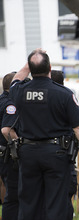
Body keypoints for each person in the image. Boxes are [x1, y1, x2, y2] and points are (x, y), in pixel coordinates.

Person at [9, 49, 79, 220]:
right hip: (56, 154)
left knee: (29, 201)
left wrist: (29, 62)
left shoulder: (18, 91)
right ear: (50, 67)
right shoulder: (63, 93)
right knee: (56, 202)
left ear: (31, 69)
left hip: (28, 153)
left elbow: (16, 78)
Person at [51, 70, 78, 220]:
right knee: (67, 193)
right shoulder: (68, 95)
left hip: (52, 152)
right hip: (65, 154)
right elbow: (78, 125)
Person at [0, 72, 19, 220]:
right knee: (13, 196)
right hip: (9, 155)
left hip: (3, 154)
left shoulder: (2, 100)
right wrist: (20, 145)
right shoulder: (11, 104)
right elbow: (7, 130)